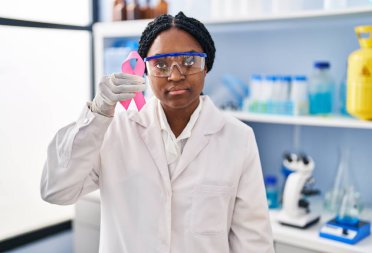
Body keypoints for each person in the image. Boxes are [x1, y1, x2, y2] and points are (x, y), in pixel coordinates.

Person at [41, 12, 274, 253]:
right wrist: (98, 114)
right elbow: (56, 190)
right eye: (161, 64)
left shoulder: (238, 138)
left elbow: (254, 242)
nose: (175, 75)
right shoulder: (113, 132)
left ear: (206, 67)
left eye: (189, 61)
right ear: (145, 70)